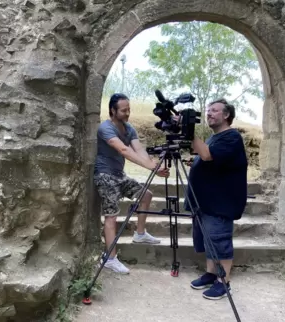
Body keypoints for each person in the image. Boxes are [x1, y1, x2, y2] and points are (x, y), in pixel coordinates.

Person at [94, 93, 170, 274]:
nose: (127, 113)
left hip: (119, 175)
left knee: (146, 195)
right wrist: (152, 168)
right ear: (113, 110)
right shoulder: (105, 128)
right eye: (123, 110)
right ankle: (110, 258)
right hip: (105, 175)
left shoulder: (129, 129)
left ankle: (140, 233)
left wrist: (154, 166)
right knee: (111, 216)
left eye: (129, 109)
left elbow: (138, 149)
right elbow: (123, 150)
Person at [184, 98, 248, 300]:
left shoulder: (232, 137)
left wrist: (188, 130)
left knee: (219, 240)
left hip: (221, 202)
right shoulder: (214, 137)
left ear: (226, 115)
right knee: (208, 239)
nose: (209, 113)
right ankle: (211, 273)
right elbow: (206, 157)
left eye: (214, 110)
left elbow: (207, 156)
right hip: (205, 201)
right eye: (208, 110)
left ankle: (224, 281)